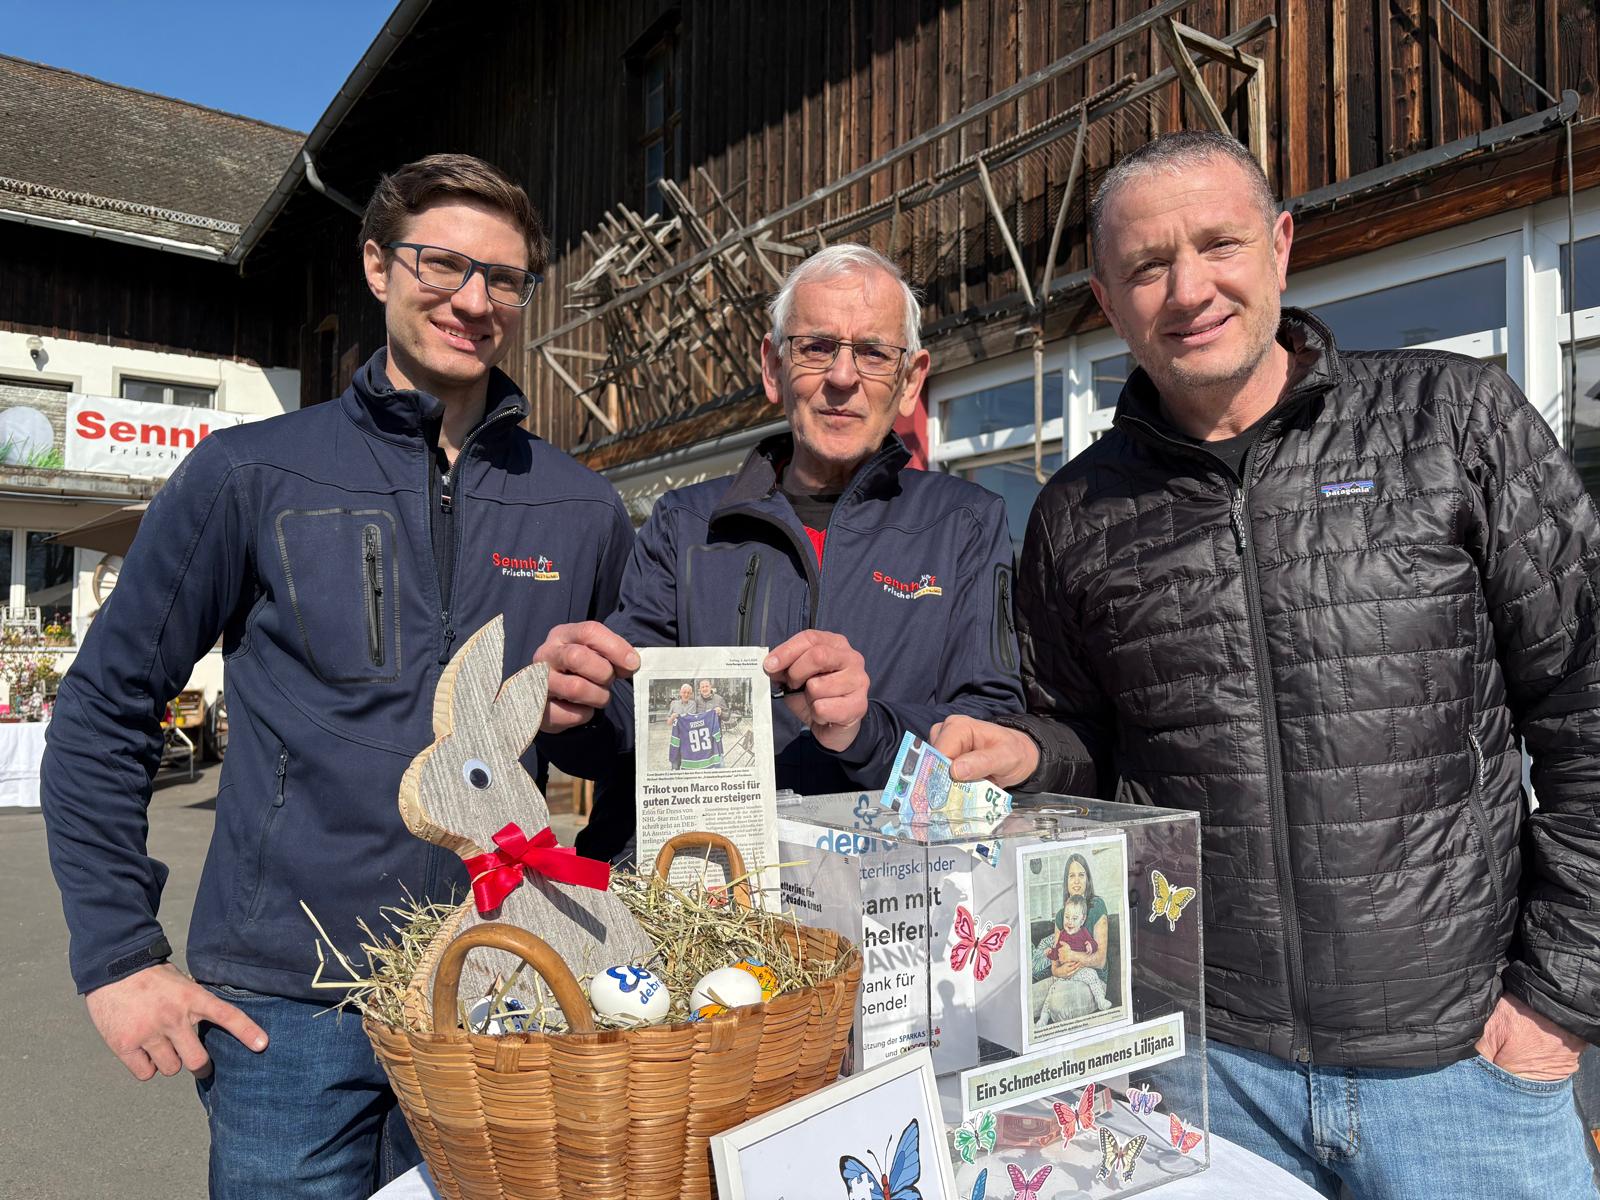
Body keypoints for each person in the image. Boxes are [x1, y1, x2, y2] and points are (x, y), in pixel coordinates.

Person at [933, 130, 1600, 1198]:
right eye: (1147, 266)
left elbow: (1586, 705)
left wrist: (1559, 1000)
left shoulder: (1451, 422)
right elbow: (1095, 750)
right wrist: (1027, 753)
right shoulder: (1077, 516)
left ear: (1280, 247)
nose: (1187, 289)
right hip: (1204, 1077)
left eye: (1217, 244)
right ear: (1107, 300)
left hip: (1459, 1072)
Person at [39, 154, 636, 1198]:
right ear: (376, 265)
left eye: (503, 278)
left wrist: (595, 718)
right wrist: (121, 953)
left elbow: (599, 749)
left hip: (489, 985)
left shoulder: (580, 508)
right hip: (283, 1006)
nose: (472, 299)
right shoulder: (251, 472)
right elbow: (104, 707)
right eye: (442, 263)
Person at [534, 244, 1025, 860]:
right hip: (698, 899)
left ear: (910, 381)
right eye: (816, 347)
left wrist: (866, 728)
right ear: (773, 368)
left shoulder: (965, 524)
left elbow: (990, 728)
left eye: (873, 353)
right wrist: (575, 707)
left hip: (881, 901)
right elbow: (627, 726)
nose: (842, 377)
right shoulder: (685, 525)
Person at [1032, 853, 1112, 1022]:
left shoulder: (1098, 906)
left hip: (1092, 979)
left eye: (1081, 875)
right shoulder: (1061, 915)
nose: (1076, 881)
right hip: (1063, 976)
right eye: (1071, 876)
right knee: (1028, 999)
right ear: (1066, 881)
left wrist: (1072, 955)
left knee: (1059, 1003)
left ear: (1088, 880)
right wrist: (1059, 970)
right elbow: (1055, 965)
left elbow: (1100, 960)